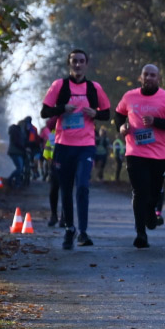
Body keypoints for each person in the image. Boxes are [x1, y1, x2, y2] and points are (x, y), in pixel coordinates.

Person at [41, 49, 111, 249]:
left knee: (82, 187)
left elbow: (107, 114)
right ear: (69, 64)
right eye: (74, 61)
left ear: (86, 64)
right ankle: (69, 229)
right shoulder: (59, 85)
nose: (78, 65)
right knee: (65, 189)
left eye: (81, 61)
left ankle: (83, 232)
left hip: (86, 146)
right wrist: (62, 109)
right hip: (63, 146)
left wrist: (95, 113)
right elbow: (45, 112)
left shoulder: (94, 87)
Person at [115, 64, 165, 248]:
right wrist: (121, 127)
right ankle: (140, 233)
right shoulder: (129, 96)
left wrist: (156, 121)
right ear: (141, 77)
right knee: (139, 192)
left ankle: (151, 213)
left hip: (159, 156)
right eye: (146, 74)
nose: (149, 78)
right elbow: (119, 114)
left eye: (153, 75)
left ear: (158, 78)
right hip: (135, 153)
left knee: (153, 193)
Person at [40, 117, 64, 227]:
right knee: (54, 190)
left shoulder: (72, 132)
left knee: (65, 191)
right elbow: (47, 151)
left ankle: (64, 217)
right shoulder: (53, 134)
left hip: (68, 165)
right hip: (55, 164)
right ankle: (54, 215)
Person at [6, 123, 25, 188]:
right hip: (16, 152)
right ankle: (10, 179)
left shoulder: (13, 131)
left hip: (15, 152)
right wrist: (24, 148)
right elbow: (17, 142)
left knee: (18, 168)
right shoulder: (16, 131)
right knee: (19, 168)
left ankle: (17, 183)